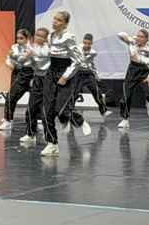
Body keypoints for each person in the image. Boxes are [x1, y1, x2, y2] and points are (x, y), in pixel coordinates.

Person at [42, 10, 90, 157]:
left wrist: (65, 76)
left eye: (59, 20)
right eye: (54, 19)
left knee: (60, 110)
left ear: (65, 24)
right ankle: (52, 144)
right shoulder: (50, 36)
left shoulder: (69, 38)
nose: (54, 22)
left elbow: (79, 60)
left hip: (65, 73)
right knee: (46, 110)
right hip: (51, 73)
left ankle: (78, 120)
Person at [116, 29, 149, 129]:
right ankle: (125, 119)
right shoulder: (133, 42)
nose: (139, 38)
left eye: (141, 37)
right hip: (133, 69)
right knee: (126, 96)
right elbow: (120, 34)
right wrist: (130, 38)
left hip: (145, 70)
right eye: (138, 36)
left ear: (146, 39)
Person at [18, 28, 50, 145]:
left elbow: (44, 56)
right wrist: (26, 56)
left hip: (47, 80)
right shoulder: (32, 48)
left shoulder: (48, 49)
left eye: (41, 36)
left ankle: (49, 136)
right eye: (37, 35)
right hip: (37, 79)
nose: (38, 38)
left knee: (45, 110)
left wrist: (33, 54)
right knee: (31, 108)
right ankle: (30, 134)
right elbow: (22, 61)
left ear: (46, 38)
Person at [0, 29, 32, 131]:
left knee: (36, 100)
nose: (19, 40)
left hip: (30, 74)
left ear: (27, 38)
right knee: (11, 97)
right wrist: (10, 64)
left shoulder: (31, 49)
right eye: (17, 38)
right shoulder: (14, 47)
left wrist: (14, 57)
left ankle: (37, 120)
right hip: (18, 73)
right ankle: (8, 120)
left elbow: (23, 60)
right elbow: (8, 59)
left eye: (21, 38)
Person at [76, 34, 109, 118]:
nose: (86, 45)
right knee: (74, 94)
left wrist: (96, 74)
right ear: (83, 41)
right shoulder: (77, 49)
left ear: (91, 43)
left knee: (97, 92)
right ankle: (69, 112)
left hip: (88, 74)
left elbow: (91, 64)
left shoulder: (93, 52)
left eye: (89, 43)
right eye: (85, 43)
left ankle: (103, 111)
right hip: (78, 74)